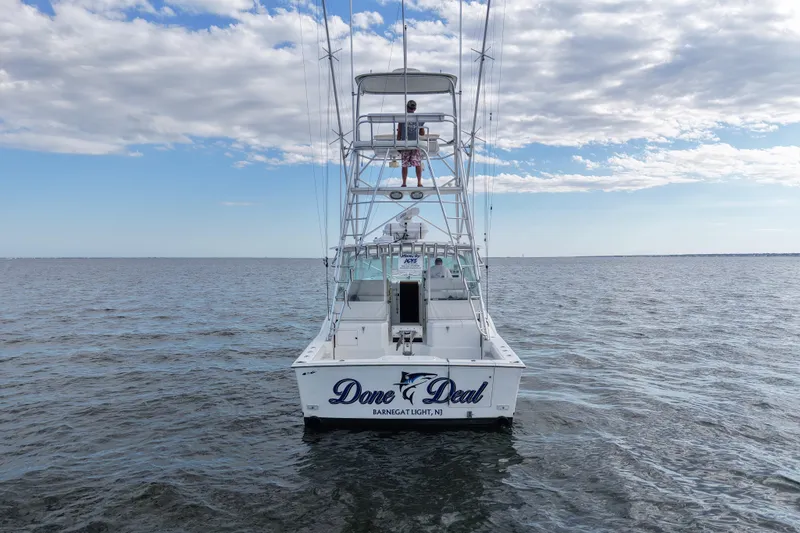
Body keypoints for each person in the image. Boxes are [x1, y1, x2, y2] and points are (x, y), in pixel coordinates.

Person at [396, 100, 425, 187]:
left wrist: (398, 144)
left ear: (406, 107)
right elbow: (422, 133)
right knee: (418, 164)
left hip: (405, 144)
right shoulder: (419, 118)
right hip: (415, 144)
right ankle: (419, 182)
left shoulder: (401, 119)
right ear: (415, 108)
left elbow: (399, 133)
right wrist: (421, 127)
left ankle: (404, 183)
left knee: (404, 165)